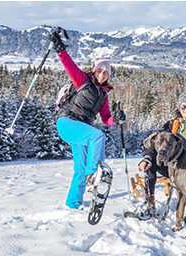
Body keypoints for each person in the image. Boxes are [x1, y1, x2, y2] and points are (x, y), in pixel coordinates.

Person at [50, 29, 126, 209]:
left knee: (79, 168)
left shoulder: (103, 95)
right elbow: (69, 65)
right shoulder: (83, 81)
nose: (102, 74)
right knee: (98, 136)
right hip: (67, 122)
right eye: (100, 70)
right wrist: (60, 49)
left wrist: (116, 119)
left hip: (81, 129)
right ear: (95, 70)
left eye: (106, 72)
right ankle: (94, 174)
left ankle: (73, 202)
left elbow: (106, 119)